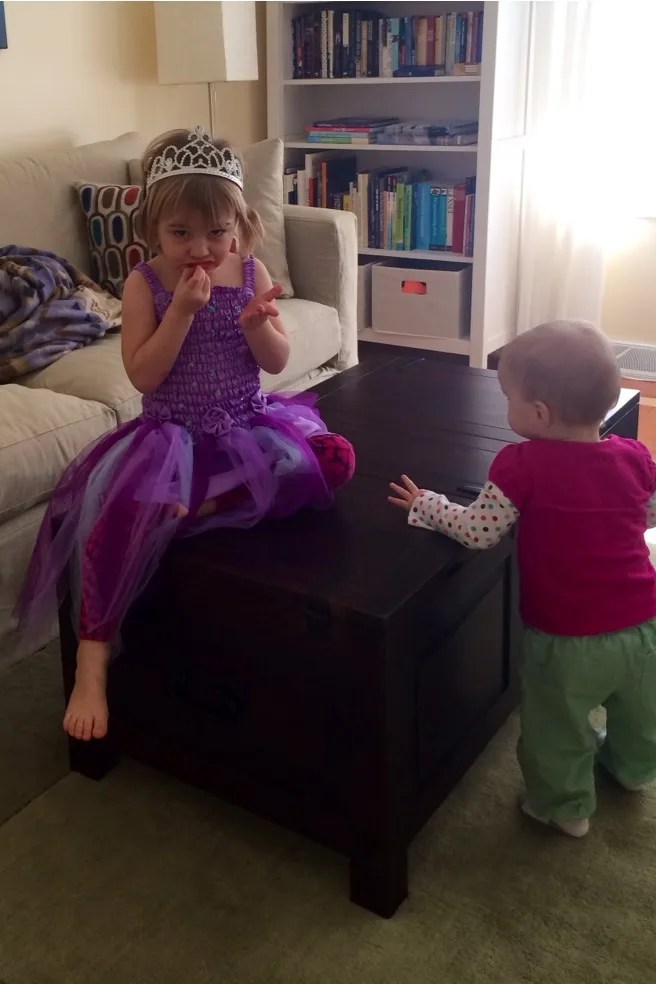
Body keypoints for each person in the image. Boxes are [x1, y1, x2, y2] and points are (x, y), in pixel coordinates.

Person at [16, 126, 355, 743]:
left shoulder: (250, 272)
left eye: (216, 232)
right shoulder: (145, 283)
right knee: (113, 520)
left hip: (247, 426)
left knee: (333, 458)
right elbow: (143, 374)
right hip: (172, 437)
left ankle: (211, 505)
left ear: (239, 227)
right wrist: (180, 313)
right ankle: (92, 658)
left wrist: (256, 326)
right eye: (180, 233)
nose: (200, 248)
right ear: (153, 228)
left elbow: (277, 361)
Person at [389, 320, 656, 838]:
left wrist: (428, 504)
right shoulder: (634, 456)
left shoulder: (521, 464)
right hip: (642, 625)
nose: (507, 406)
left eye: (508, 397)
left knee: (555, 725)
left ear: (539, 413)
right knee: (640, 710)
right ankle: (633, 769)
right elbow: (645, 515)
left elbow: (478, 531)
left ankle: (563, 807)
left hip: (566, 638)